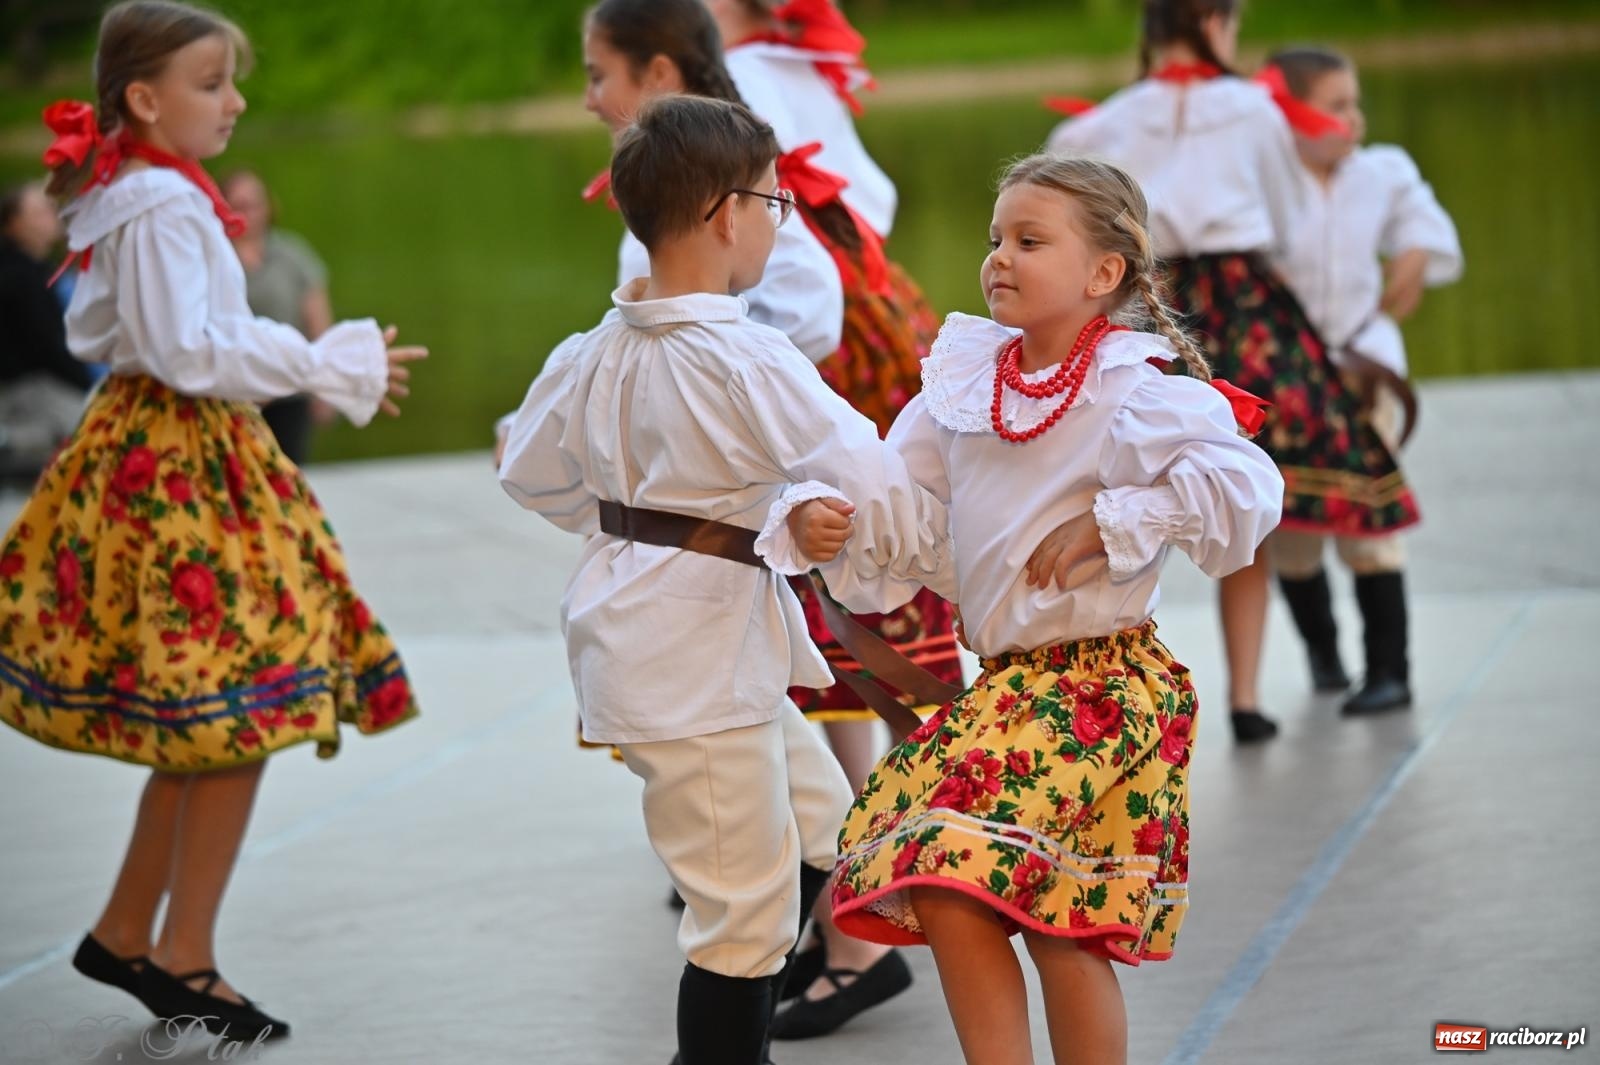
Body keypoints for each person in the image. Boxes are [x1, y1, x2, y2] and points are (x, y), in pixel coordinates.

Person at [779, 154, 1282, 1065]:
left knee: (1049, 920)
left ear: (1104, 274)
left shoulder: (1137, 388)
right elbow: (898, 508)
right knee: (963, 886)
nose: (1000, 257)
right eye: (996, 239)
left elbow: (1246, 491)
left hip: (1106, 691)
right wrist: (821, 521)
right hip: (1008, 691)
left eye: (1030, 240)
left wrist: (1115, 520)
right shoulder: (962, 395)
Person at [497, 94, 956, 1065]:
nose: (778, 221)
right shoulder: (747, 354)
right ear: (724, 215)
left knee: (823, 826)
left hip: (676, 639)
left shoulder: (590, 352)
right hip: (690, 660)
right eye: (775, 202)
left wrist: (660, 528)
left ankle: (802, 974)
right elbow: (866, 473)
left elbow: (530, 472)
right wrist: (970, 564)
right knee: (740, 917)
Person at [0, 0, 426, 1041]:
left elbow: (179, 337)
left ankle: (132, 935)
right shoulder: (156, 202)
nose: (233, 102)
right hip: (180, 460)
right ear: (144, 99)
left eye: (232, 81)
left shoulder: (144, 190)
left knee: (214, 714)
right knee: (238, 706)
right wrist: (325, 360)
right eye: (211, 83)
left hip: (176, 448)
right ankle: (179, 953)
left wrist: (320, 359)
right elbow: (189, 348)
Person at [1048, 0, 1419, 743]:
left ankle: (1092, 685)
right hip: (1249, 315)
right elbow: (1283, 218)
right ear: (1216, 23)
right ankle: (1249, 696)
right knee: (1247, 487)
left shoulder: (1101, 125)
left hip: (1152, 309)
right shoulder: (1256, 109)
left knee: (1104, 482)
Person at [1262, 46, 1462, 715]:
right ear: (1287, 114)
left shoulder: (1382, 172)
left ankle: (1390, 669)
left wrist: (1414, 250)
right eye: (1335, 105)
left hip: (1363, 370)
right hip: (1285, 379)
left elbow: (1427, 226)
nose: (1355, 119)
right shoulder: (1262, 179)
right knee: (1289, 532)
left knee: (1371, 522)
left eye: (1356, 103)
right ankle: (1323, 650)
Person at [221, 167, 335, 465]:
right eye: (238, 205)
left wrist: (326, 385)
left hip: (289, 390)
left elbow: (318, 321)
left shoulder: (292, 256)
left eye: (254, 205)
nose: (248, 214)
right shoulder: (215, 258)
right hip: (234, 391)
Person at [0, 180, 92, 480]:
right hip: (29, 386)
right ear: (13, 223)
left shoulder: (40, 270)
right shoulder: (18, 275)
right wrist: (87, 384)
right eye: (40, 212)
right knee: (92, 425)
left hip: (43, 379)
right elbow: (47, 346)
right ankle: (15, 441)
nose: (52, 217)